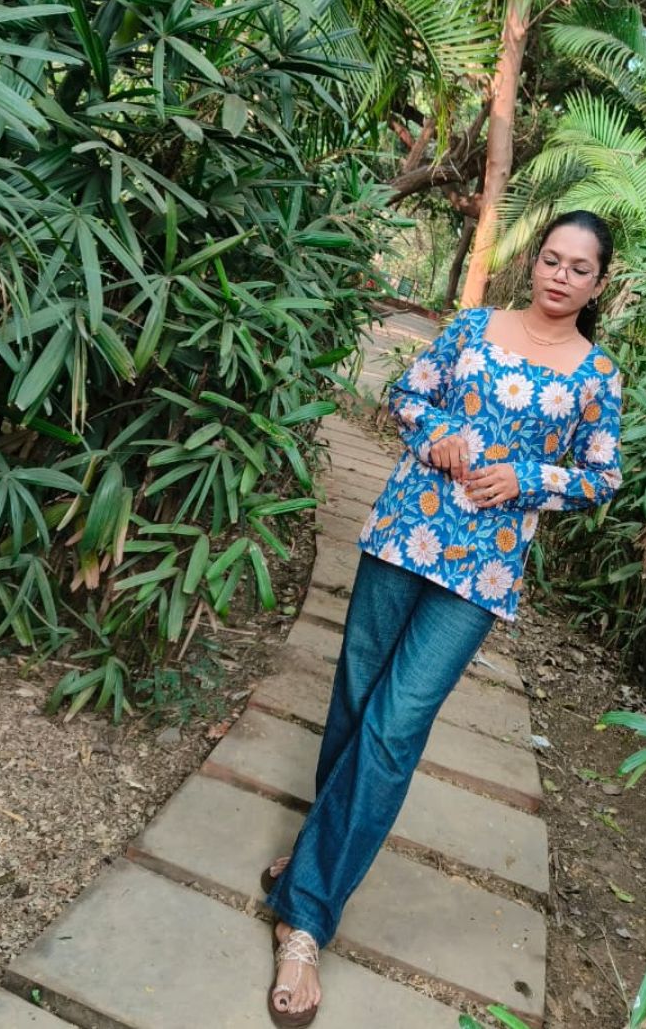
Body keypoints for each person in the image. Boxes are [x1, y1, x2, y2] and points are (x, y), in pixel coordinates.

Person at [263, 210, 624, 1026]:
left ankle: (306, 921)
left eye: (579, 268)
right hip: (404, 532)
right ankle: (319, 860)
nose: (560, 276)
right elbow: (405, 397)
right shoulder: (471, 328)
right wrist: (440, 434)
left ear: (598, 283)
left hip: (481, 572)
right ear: (534, 262)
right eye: (552, 259)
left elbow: (602, 476)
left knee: (395, 729)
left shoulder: (597, 375)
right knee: (355, 706)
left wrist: (530, 478)